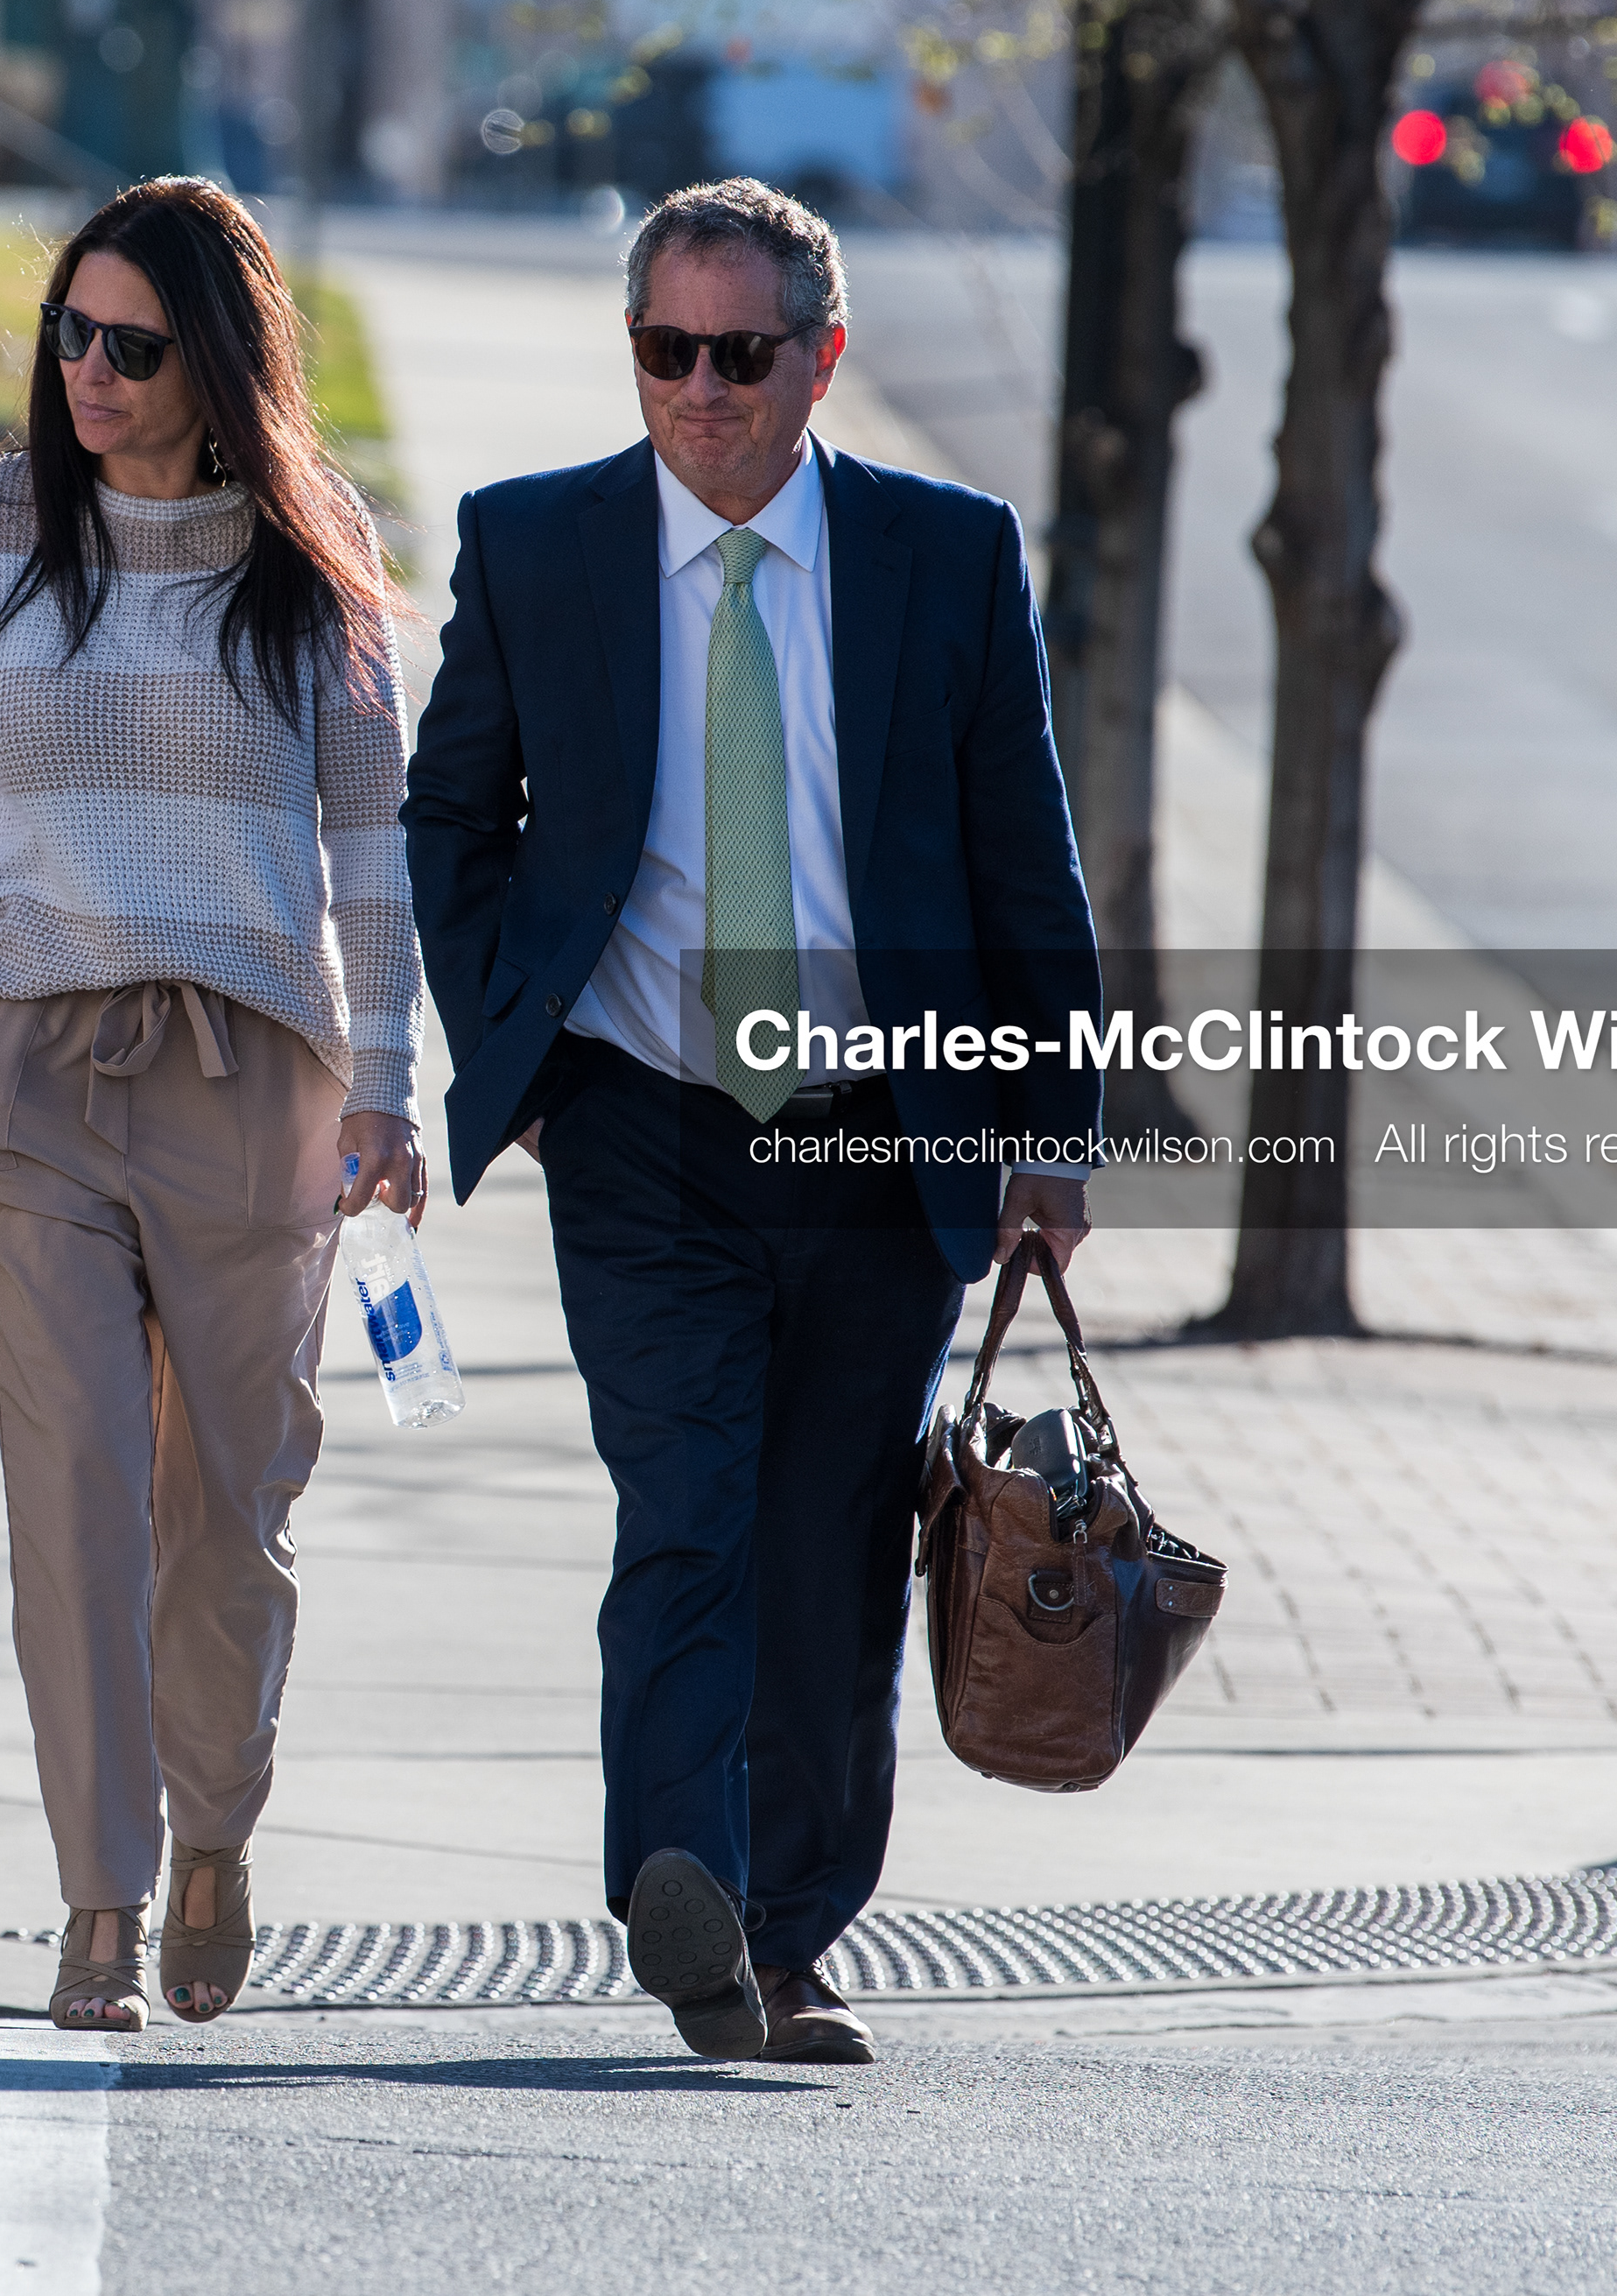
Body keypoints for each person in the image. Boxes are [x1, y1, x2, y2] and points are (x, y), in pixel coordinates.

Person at [402, 178, 1100, 2065]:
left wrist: (1057, 1119)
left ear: (822, 357)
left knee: (829, 1540)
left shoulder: (940, 561)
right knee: (685, 1511)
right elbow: (450, 816)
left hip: (881, 1130)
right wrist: (522, 1059)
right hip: (642, 1120)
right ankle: (677, 1883)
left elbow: (1024, 861)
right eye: (665, 350)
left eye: (742, 352)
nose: (701, 389)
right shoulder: (536, 545)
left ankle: (788, 1933)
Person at [0, 178, 425, 2033]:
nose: (89, 374)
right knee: (76, 1488)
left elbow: (371, 850)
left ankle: (218, 1824)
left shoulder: (311, 553)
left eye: (132, 343)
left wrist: (389, 1088)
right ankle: (98, 1895)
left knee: (228, 1510)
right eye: (71, 335)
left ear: (217, 359)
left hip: (251, 1070)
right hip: (33, 1060)